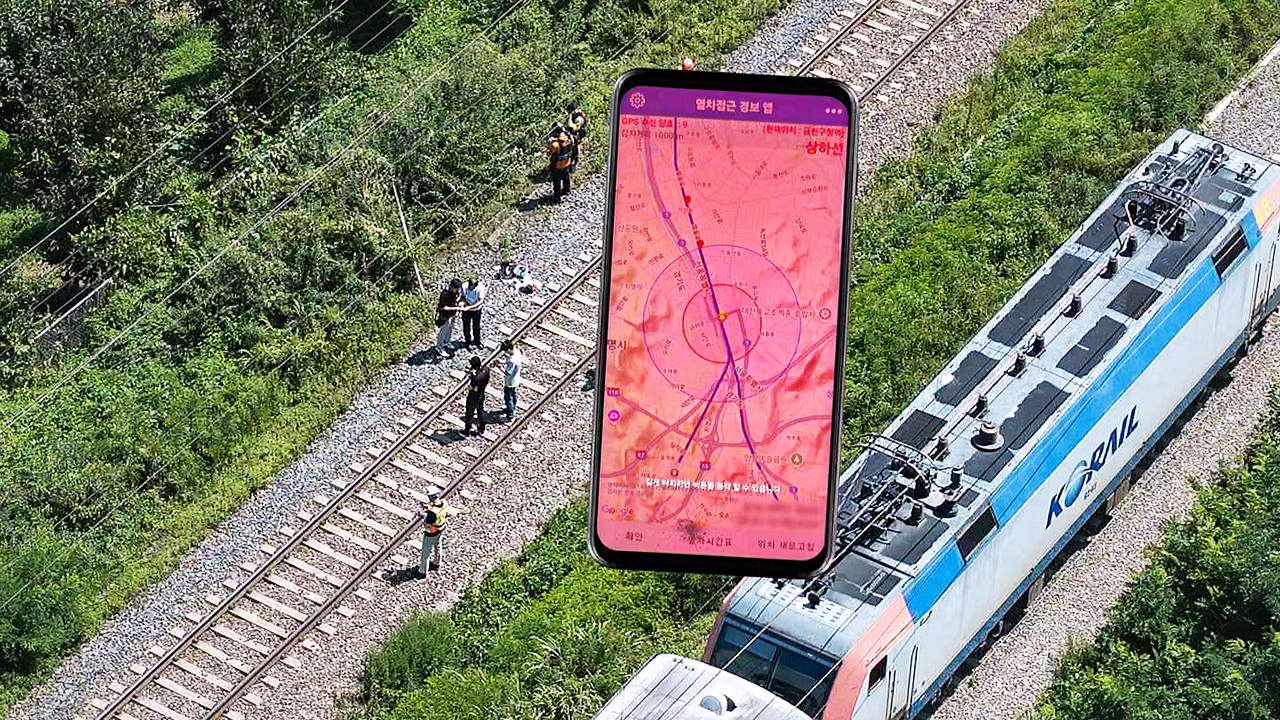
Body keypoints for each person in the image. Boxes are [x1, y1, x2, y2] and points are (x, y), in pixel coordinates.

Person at [416, 494, 449, 575]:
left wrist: (424, 513)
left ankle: (423, 571)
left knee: (425, 553)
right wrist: (430, 508)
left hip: (431, 533)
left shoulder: (433, 513)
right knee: (438, 546)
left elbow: (427, 522)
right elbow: (437, 510)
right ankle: (437, 563)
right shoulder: (444, 503)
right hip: (441, 529)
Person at [435, 278, 464, 358]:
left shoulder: (456, 291)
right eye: (456, 289)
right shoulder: (445, 294)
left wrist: (459, 302)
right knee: (443, 331)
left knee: (450, 328)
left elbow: (457, 298)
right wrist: (455, 308)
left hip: (452, 314)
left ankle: (446, 342)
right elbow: (443, 307)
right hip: (445, 315)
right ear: (452, 287)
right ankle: (439, 347)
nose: (457, 290)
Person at [547, 125, 575, 202]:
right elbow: (573, 144)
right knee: (566, 177)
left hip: (558, 166)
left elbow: (549, 154)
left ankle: (557, 198)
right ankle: (566, 190)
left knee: (557, 182)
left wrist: (549, 144)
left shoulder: (555, 144)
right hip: (567, 163)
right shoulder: (569, 139)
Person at [464, 355, 490, 435]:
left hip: (474, 395)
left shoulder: (476, 378)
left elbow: (475, 380)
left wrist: (471, 374)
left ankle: (467, 430)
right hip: (481, 394)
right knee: (480, 411)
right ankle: (481, 428)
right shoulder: (485, 370)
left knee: (469, 412)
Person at [460, 276, 486, 349]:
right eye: (470, 286)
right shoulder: (464, 286)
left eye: (473, 286)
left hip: (476, 309)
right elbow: (462, 296)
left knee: (476, 326)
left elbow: (480, 301)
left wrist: (471, 307)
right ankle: (467, 341)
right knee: (466, 326)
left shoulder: (481, 288)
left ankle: (477, 341)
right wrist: (463, 303)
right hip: (466, 309)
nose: (471, 288)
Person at [501, 339, 523, 420]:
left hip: (510, 382)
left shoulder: (512, 361)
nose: (505, 352)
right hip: (516, 379)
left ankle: (510, 413)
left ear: (509, 349)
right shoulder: (517, 352)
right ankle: (514, 408)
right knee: (514, 395)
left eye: (506, 351)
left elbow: (508, 373)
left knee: (508, 397)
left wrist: (499, 367)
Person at [566, 102, 588, 166]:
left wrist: (569, 119)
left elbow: (575, 128)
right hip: (574, 131)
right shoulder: (573, 114)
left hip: (579, 132)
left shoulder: (579, 118)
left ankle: (576, 160)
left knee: (575, 144)